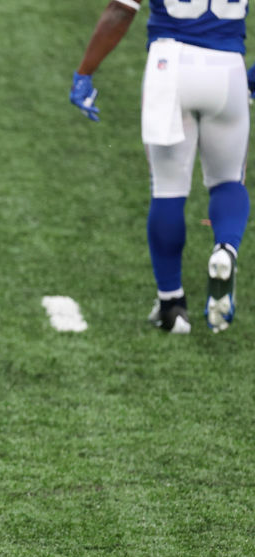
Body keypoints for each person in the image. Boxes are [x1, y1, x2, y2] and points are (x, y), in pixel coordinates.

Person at [70, 0, 250, 334]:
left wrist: (85, 71)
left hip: (170, 65)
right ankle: (226, 247)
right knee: (228, 181)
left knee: (168, 188)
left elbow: (121, 11)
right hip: (228, 69)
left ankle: (172, 306)